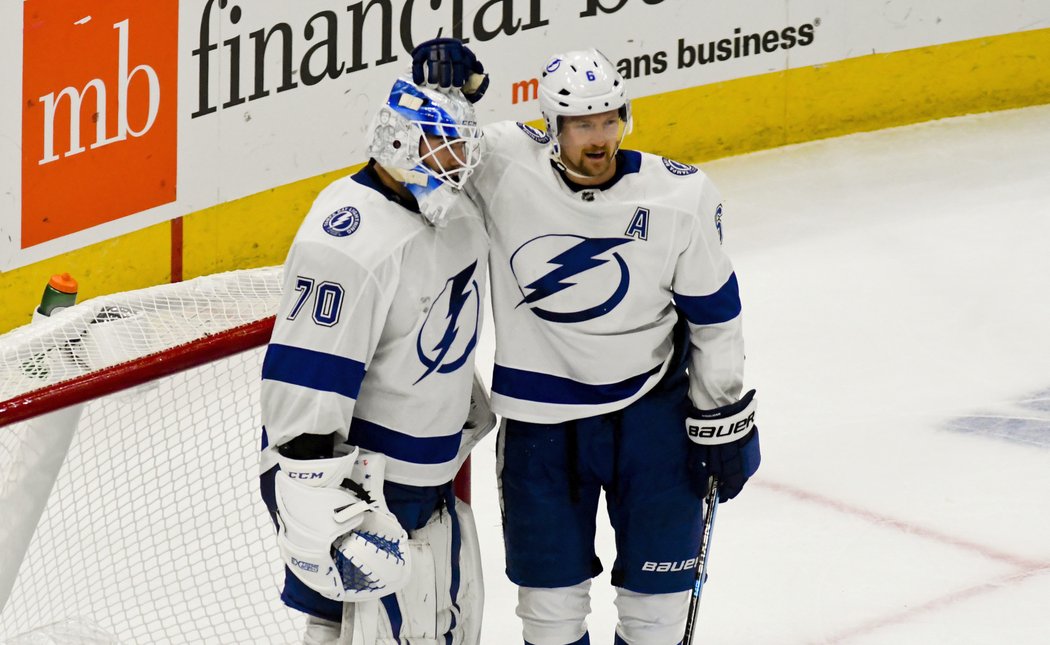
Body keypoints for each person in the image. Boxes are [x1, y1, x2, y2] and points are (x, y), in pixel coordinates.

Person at [412, 41, 762, 645]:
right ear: (551, 127)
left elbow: (716, 317)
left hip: (653, 420)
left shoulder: (680, 196)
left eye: (609, 120)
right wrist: (444, 92)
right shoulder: (503, 163)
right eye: (580, 124)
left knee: (657, 619)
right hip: (540, 429)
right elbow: (426, 156)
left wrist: (723, 414)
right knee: (549, 617)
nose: (598, 138)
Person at [258, 74, 493, 644]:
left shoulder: (450, 213)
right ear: (398, 143)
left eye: (461, 145)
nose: (457, 161)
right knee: (344, 621)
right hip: (368, 485)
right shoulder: (348, 239)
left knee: (439, 622)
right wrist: (319, 500)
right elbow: (305, 382)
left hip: (429, 474)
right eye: (442, 144)